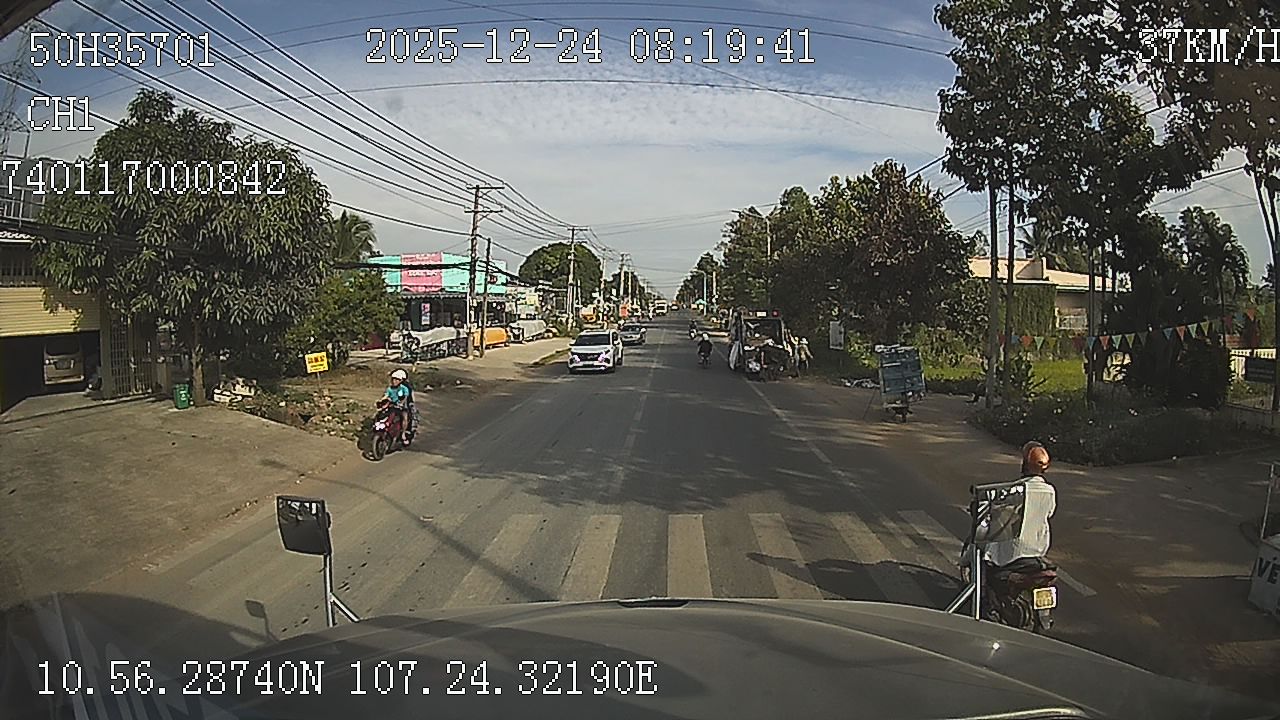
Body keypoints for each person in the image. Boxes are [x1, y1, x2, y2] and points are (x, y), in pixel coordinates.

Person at [982, 441, 1056, 569]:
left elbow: (1000, 504)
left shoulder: (1017, 489)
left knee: (991, 550)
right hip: (1038, 546)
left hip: (1014, 549)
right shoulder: (1049, 491)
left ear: (1025, 464)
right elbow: (1049, 512)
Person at [384, 369, 415, 445]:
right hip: (393, 406)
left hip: (403, 407)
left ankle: (403, 433)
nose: (394, 381)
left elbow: (406, 398)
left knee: (405, 417)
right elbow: (387, 395)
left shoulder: (405, 388)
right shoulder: (391, 388)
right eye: (393, 379)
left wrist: (402, 404)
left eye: (397, 379)